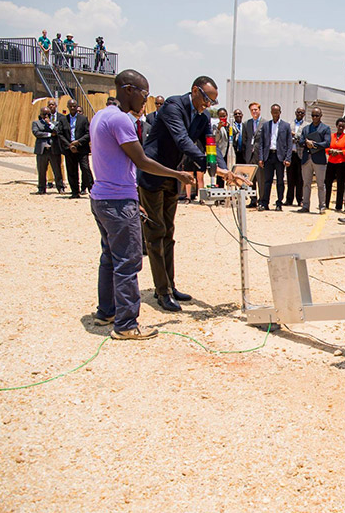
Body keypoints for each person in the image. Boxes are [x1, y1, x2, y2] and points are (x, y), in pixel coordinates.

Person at [89, 69, 195, 339]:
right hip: (117, 201)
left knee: (109, 258)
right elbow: (142, 161)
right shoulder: (121, 121)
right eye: (143, 94)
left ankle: (107, 312)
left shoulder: (101, 115)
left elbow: (118, 162)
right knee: (128, 261)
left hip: (101, 198)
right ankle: (126, 325)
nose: (145, 101)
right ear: (127, 90)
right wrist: (177, 174)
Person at [139, 75, 248, 312]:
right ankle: (162, 292)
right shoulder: (172, 106)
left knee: (169, 231)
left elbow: (209, 143)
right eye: (207, 99)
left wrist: (224, 169)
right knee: (156, 233)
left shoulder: (202, 116)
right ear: (195, 91)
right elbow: (183, 142)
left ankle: (170, 285)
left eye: (213, 101)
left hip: (173, 176)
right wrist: (213, 168)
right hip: (153, 173)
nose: (208, 105)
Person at [258, 103, 293, 211]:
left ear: (280, 113)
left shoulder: (285, 126)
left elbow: (289, 143)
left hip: (280, 157)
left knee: (280, 181)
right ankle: (265, 203)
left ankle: (279, 203)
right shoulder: (266, 125)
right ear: (271, 112)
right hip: (268, 156)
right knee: (267, 181)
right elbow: (261, 143)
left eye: (277, 112)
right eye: (273, 112)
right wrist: (261, 157)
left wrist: (288, 158)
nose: (275, 114)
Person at [57, 98, 92, 198]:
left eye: (74, 106)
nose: (72, 108)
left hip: (81, 148)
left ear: (77, 107)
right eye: (70, 106)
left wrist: (78, 142)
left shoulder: (83, 119)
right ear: (67, 107)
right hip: (69, 149)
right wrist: (69, 145)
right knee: (71, 170)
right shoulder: (63, 120)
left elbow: (88, 133)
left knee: (85, 169)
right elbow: (60, 134)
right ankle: (75, 192)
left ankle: (92, 190)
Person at [298, 108, 331, 214]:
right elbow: (300, 141)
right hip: (307, 158)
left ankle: (322, 206)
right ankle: (305, 206)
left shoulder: (325, 128)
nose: (315, 118)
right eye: (313, 115)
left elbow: (327, 143)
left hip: (319, 160)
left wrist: (314, 145)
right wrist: (306, 143)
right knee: (306, 184)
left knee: (321, 184)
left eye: (317, 115)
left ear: (321, 115)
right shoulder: (306, 128)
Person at [32, 107, 64, 194]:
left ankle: (60, 187)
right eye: (44, 114)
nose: (46, 116)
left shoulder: (55, 123)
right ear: (40, 115)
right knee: (41, 170)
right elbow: (36, 133)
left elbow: (58, 132)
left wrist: (49, 124)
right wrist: (50, 134)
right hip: (42, 150)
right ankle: (41, 188)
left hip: (53, 150)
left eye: (48, 114)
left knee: (57, 170)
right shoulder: (36, 123)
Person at [241, 101, 264, 208]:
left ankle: (262, 200)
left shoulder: (265, 123)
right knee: (251, 180)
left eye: (256, 109)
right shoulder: (246, 124)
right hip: (250, 156)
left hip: (260, 156)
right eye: (252, 110)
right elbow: (245, 140)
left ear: (259, 110)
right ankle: (253, 200)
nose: (254, 111)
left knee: (261, 179)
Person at [324, 118, 345, 211]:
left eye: (343, 126)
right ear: (336, 126)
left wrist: (340, 152)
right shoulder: (331, 136)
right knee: (328, 183)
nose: (341, 127)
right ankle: (325, 203)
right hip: (331, 163)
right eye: (339, 126)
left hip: (342, 163)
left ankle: (338, 206)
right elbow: (326, 147)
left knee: (340, 185)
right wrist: (330, 151)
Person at [286, 107, 308, 207]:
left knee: (300, 178)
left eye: (302, 112)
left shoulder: (306, 125)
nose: (300, 113)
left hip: (301, 154)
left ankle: (300, 199)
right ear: (295, 112)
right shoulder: (289, 124)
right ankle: (289, 199)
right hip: (291, 154)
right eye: (298, 112)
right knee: (290, 178)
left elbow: (306, 138)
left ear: (304, 114)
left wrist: (296, 136)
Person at [44, 99, 65, 192]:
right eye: (49, 105)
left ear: (56, 106)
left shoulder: (61, 117)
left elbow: (59, 129)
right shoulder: (44, 117)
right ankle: (50, 180)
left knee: (60, 163)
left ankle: (61, 180)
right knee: (48, 163)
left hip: (59, 143)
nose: (51, 106)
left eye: (53, 104)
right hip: (48, 143)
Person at [213, 108, 231, 187]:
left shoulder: (231, 125)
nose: (222, 118)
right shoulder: (216, 126)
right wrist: (218, 129)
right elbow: (215, 139)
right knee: (221, 172)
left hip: (230, 152)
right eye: (220, 116)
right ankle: (220, 191)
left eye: (224, 116)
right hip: (221, 152)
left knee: (230, 171)